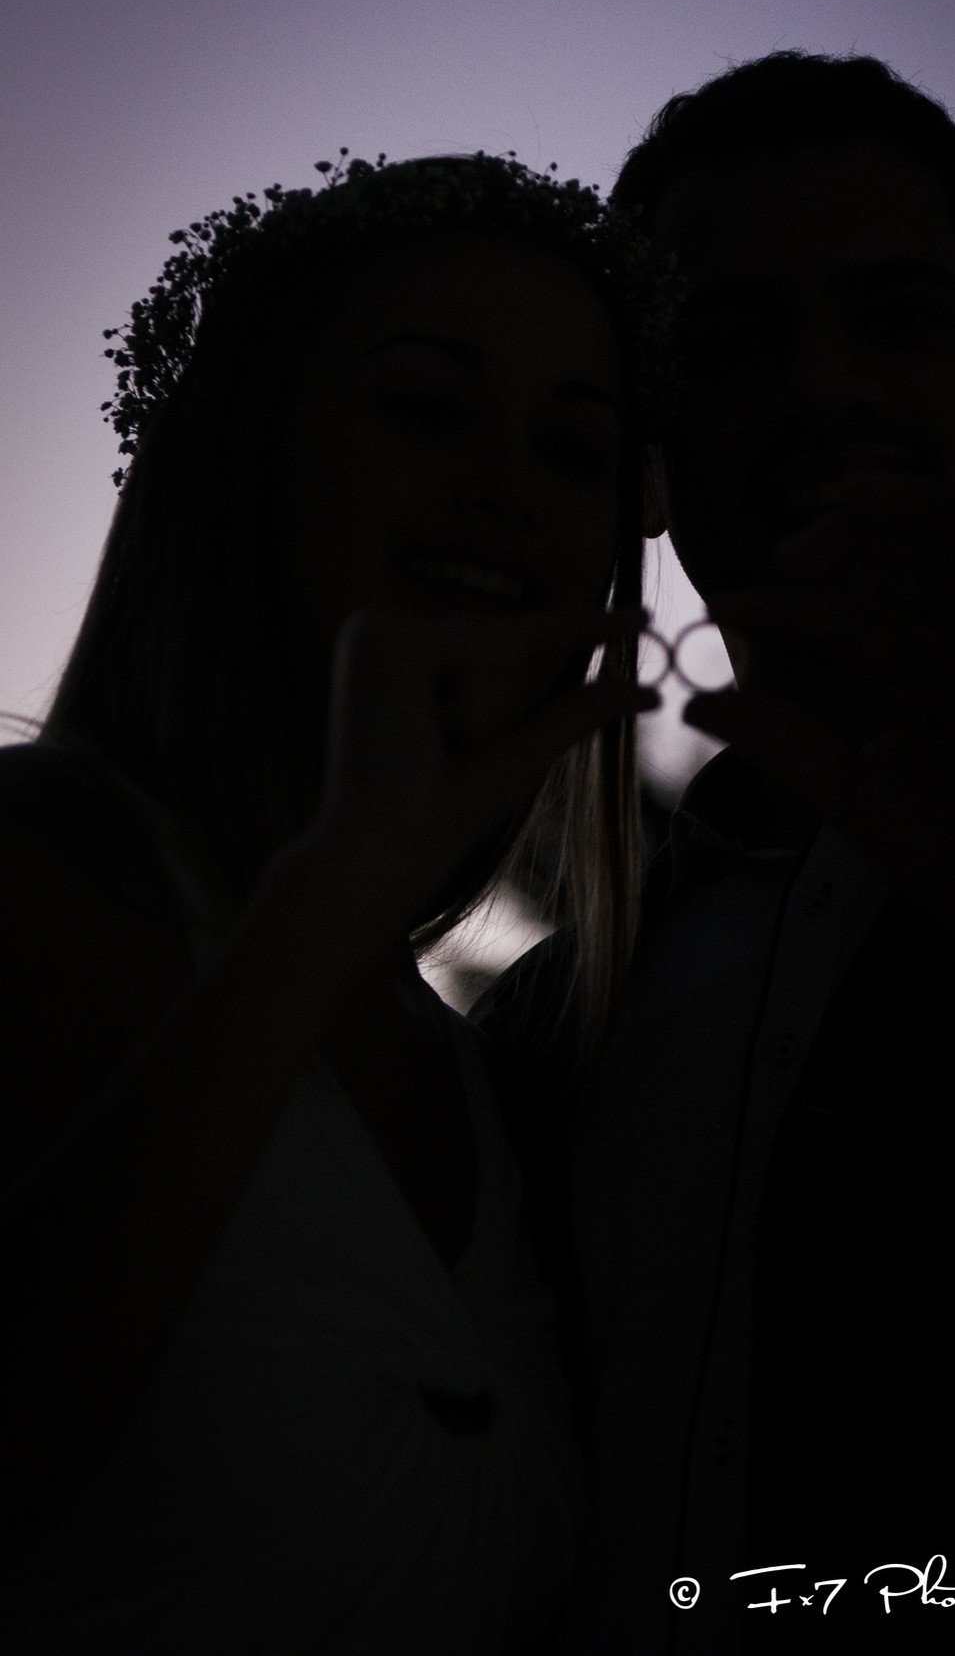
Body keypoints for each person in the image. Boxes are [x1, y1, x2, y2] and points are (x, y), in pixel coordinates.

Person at [473, 56, 955, 1650]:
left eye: (900, 317)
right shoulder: (545, 1025)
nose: (822, 389)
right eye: (732, 348)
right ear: (652, 458)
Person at [0, 149, 673, 1652]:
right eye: (426, 407)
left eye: (575, 450)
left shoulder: (494, 1073)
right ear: (243, 455)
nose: (508, 488)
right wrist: (332, 890)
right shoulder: (35, 875)